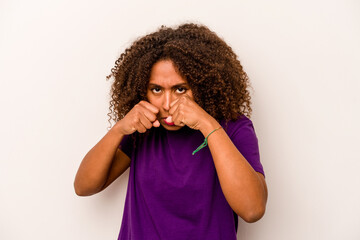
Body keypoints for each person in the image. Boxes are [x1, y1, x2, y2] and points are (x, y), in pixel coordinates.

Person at [74, 23, 268, 240]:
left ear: (203, 85)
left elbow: (252, 209)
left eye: (180, 89)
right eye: (156, 89)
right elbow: (84, 187)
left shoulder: (233, 128)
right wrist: (120, 128)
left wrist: (207, 124)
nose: (167, 103)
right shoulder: (142, 130)